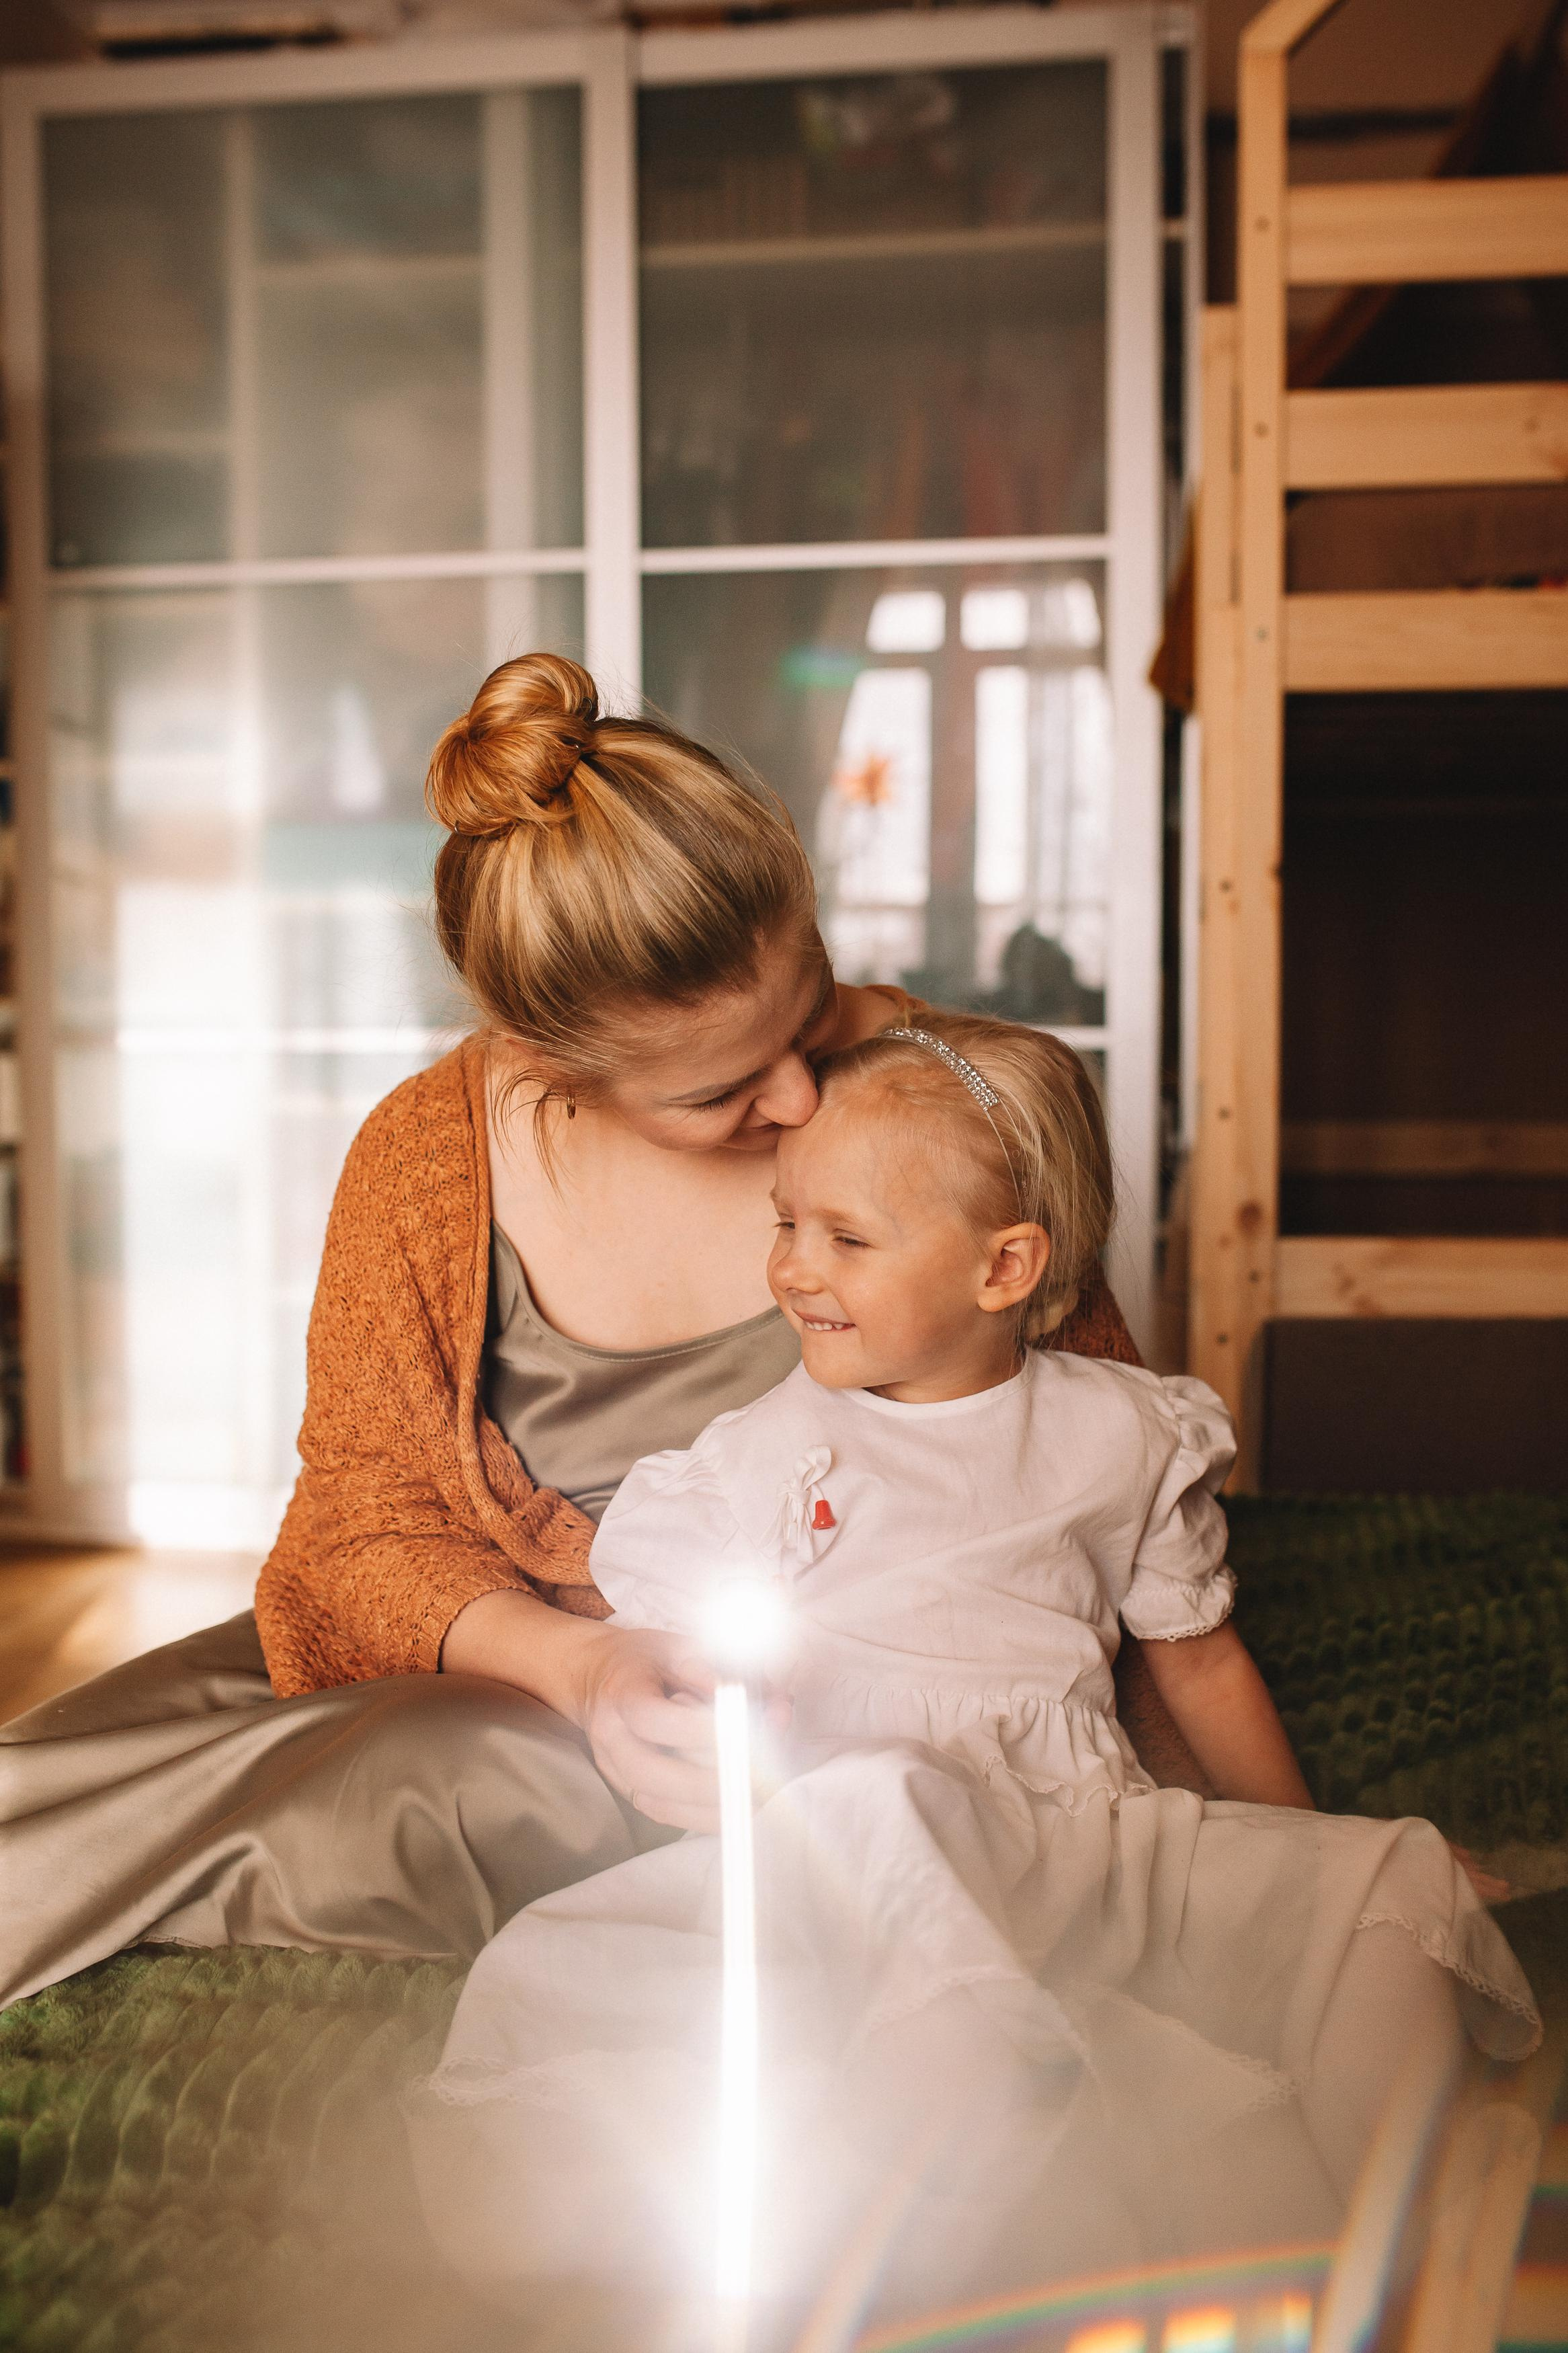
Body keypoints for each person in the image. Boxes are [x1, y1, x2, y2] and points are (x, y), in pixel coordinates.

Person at [0, 656, 1159, 2009]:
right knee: (48, 1774)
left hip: (782, 1697)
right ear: (551, 1071)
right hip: (507, 1641)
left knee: (427, 1797)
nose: (799, 1093)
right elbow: (356, 1531)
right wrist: (584, 1663)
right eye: (724, 1088)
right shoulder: (425, 1155)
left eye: (813, 1009)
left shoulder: (955, 1113)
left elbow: (1097, 1465)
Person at [409, 1013, 1539, 2320]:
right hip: (862, 1871)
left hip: (1080, 1836)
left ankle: (1404, 2259)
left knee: (1384, 1879)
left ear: (1005, 1266)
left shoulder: (1119, 1432)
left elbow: (1202, 1664)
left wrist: (1302, 1859)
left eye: (845, 1237)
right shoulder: (752, 1459)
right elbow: (673, 1659)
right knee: (886, 1797)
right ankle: (954, 2115)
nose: (791, 1269)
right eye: (785, 1222)